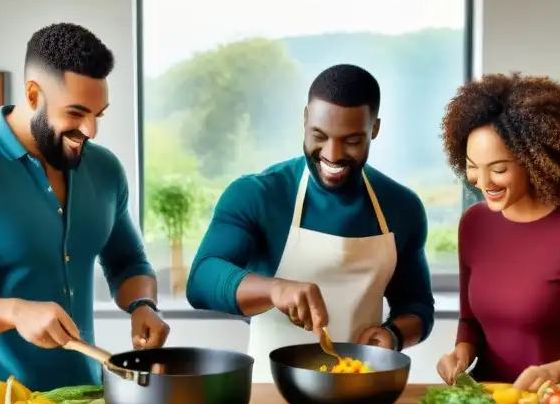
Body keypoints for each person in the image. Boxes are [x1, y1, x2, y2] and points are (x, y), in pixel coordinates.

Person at [0, 22, 170, 398]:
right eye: (75, 113)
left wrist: (143, 305)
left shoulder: (105, 171)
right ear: (32, 94)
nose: (90, 130)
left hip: (86, 400)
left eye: (98, 114)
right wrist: (13, 312)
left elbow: (128, 260)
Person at [185, 64, 435, 367]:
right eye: (319, 135)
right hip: (271, 392)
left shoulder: (402, 207)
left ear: (375, 129)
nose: (333, 153)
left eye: (352, 140)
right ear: (305, 119)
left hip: (359, 387)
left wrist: (394, 335)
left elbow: (417, 307)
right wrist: (275, 289)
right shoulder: (258, 195)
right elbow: (201, 279)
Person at [435, 72, 560, 391]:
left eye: (499, 169)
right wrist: (461, 352)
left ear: (536, 161)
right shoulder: (474, 224)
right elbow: (470, 321)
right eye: (473, 166)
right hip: (483, 402)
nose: (483, 182)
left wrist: (553, 373)